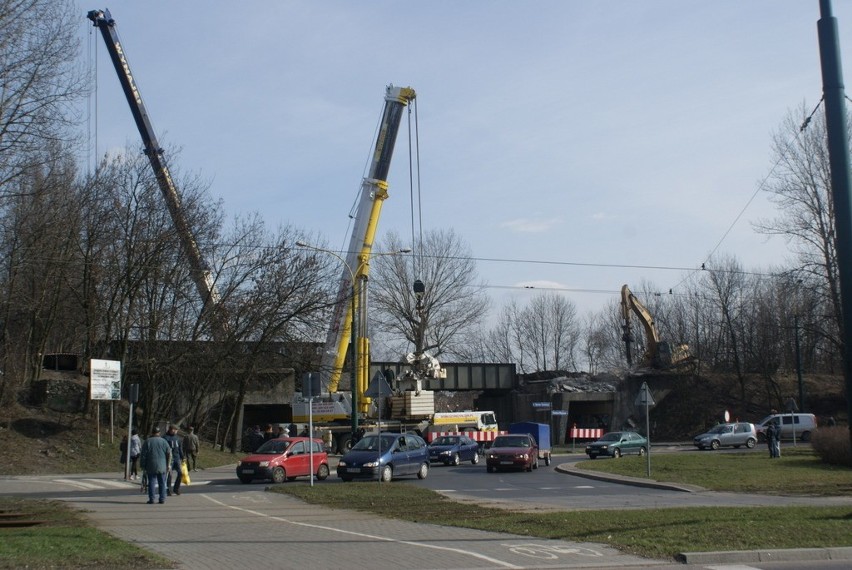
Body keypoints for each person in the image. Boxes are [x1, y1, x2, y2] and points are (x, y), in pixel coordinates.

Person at [139, 426, 171, 504]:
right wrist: (168, 465)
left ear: (152, 433)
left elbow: (143, 455)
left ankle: (152, 499)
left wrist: (142, 465)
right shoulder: (164, 441)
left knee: (151, 482)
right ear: (159, 433)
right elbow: (169, 453)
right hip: (162, 465)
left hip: (151, 465)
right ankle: (162, 498)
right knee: (162, 483)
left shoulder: (147, 441)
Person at [163, 425, 183, 496]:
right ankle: (169, 490)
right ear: (172, 430)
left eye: (177, 430)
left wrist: (183, 457)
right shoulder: (165, 438)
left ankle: (176, 488)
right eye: (175, 430)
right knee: (169, 475)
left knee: (180, 473)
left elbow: (180, 448)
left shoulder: (178, 438)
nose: (176, 431)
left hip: (177, 458)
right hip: (169, 459)